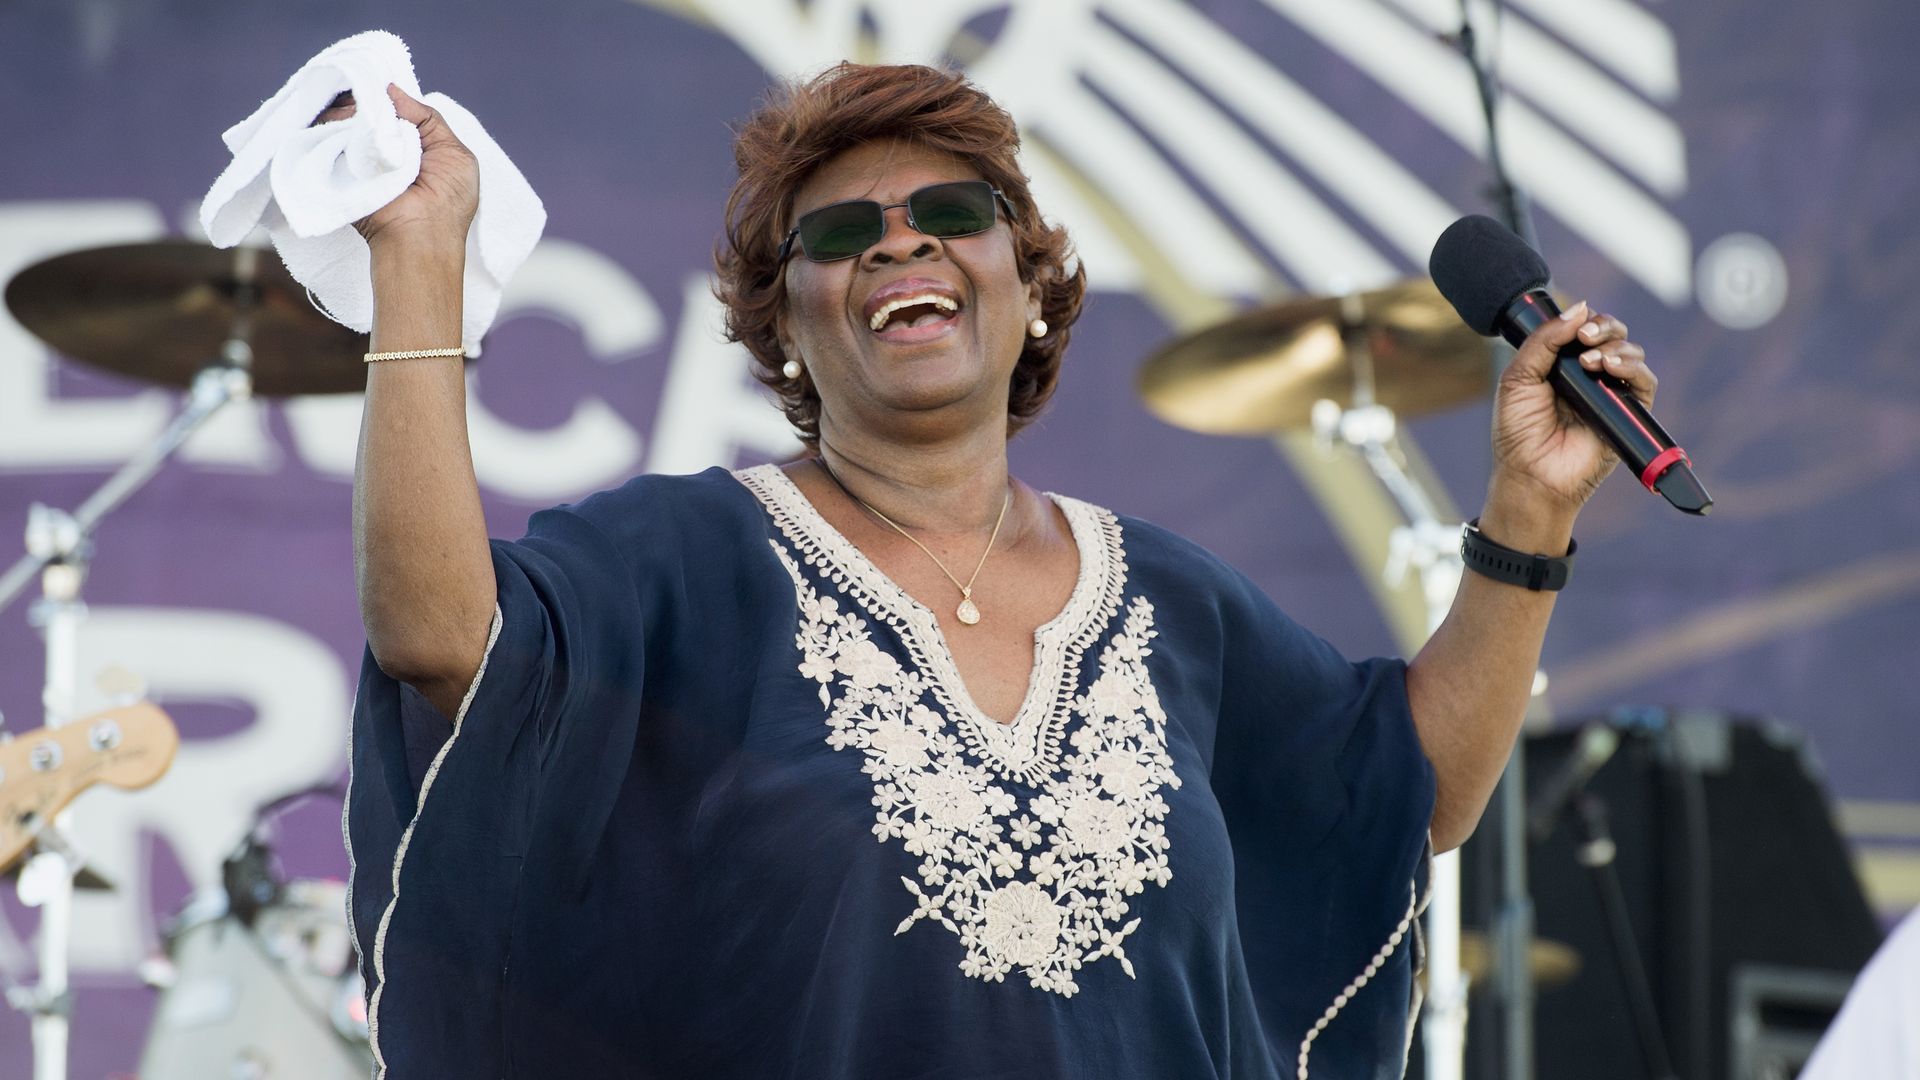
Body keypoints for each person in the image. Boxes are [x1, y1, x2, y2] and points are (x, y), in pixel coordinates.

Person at [336, 63, 1657, 1080]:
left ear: (1028, 288)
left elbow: (1405, 790)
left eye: (951, 214)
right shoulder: (683, 566)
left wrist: (1529, 513)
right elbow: (445, 634)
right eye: (840, 233)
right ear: (784, 325)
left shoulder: (1172, 604)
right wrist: (419, 263)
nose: (899, 244)